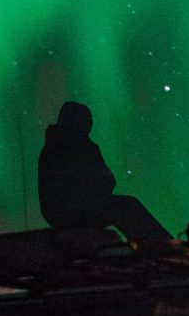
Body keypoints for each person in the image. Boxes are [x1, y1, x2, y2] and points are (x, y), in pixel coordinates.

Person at [36, 101, 171, 245]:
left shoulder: (52, 146)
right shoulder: (82, 146)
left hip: (56, 213)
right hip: (78, 210)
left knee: (125, 207)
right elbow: (108, 180)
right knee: (129, 206)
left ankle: (153, 244)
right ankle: (162, 245)